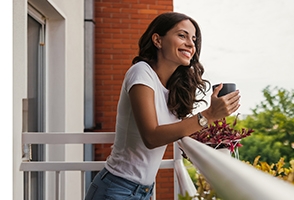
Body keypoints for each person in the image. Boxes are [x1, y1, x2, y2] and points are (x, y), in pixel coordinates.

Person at [84, 12, 241, 200]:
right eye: (182, 35)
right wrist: (208, 115)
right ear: (158, 40)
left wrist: (218, 139)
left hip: (143, 190)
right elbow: (151, 136)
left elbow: (175, 130)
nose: (191, 44)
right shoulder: (141, 72)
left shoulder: (172, 87)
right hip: (116, 189)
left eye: (193, 39)